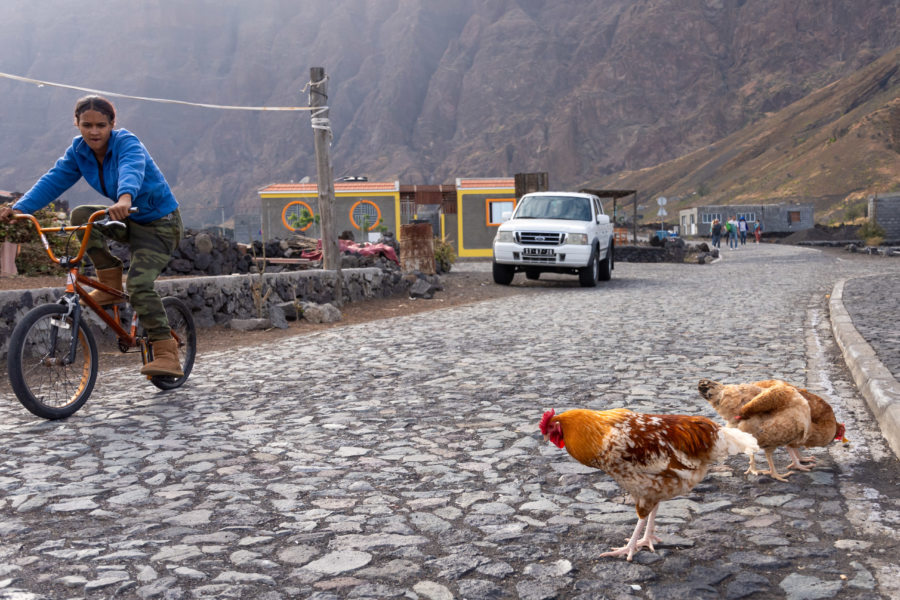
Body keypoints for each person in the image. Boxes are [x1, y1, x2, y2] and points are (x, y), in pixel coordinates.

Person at [0, 95, 184, 377]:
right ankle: (108, 278)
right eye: (87, 125)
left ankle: (166, 351)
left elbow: (131, 169)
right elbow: (53, 180)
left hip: (160, 223)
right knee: (82, 215)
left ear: (112, 124)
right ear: (77, 123)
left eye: (101, 125)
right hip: (128, 217)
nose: (94, 131)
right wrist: (17, 209)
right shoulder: (78, 151)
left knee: (138, 286)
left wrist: (124, 198)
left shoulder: (127, 143)